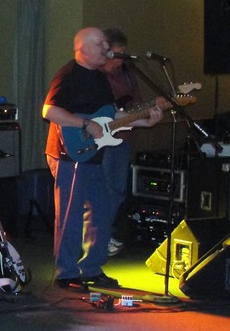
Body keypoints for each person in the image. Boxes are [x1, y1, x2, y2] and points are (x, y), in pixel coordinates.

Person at [42, 27, 162, 289]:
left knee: (101, 212)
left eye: (107, 44)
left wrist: (144, 121)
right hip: (69, 155)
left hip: (95, 155)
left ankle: (92, 269)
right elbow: (49, 111)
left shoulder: (100, 78)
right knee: (71, 214)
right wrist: (85, 123)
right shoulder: (69, 74)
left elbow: (111, 117)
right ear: (82, 48)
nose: (106, 48)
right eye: (100, 44)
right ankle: (67, 273)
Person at [101, 28, 145, 257]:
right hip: (101, 140)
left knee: (117, 191)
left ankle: (105, 234)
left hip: (123, 139)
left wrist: (150, 111)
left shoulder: (127, 73)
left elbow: (135, 104)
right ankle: (98, 238)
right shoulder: (95, 74)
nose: (119, 59)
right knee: (102, 190)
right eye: (117, 53)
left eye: (123, 53)